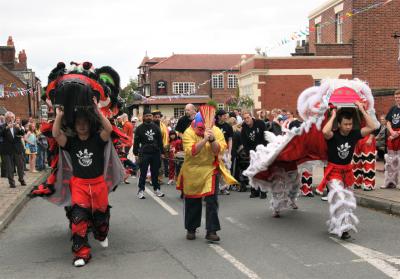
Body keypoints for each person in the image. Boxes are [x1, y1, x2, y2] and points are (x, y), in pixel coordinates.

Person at [52, 98, 113, 267]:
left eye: (85, 122)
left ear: (89, 124)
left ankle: (101, 235)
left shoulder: (97, 140)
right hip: (79, 185)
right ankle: (81, 254)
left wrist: (96, 110)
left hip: (98, 184)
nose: (82, 125)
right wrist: (59, 116)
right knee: (78, 219)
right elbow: (56, 134)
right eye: (78, 123)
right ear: (74, 125)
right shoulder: (71, 143)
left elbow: (108, 128)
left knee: (101, 220)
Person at [318, 102, 376, 240]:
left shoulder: (354, 134)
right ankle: (344, 229)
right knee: (340, 198)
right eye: (345, 124)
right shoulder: (333, 135)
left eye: (350, 124)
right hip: (334, 172)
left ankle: (335, 224)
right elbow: (325, 131)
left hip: (348, 172)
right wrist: (333, 115)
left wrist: (361, 109)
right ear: (339, 124)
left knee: (347, 201)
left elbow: (372, 127)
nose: (348, 127)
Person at [177, 111, 237, 241]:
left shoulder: (216, 131)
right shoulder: (188, 132)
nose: (205, 128)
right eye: (202, 126)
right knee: (193, 200)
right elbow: (192, 151)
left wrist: (212, 139)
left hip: (210, 168)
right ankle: (191, 228)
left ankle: (211, 230)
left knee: (211, 200)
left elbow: (218, 150)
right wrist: (204, 139)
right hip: (192, 169)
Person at [133, 108, 164, 199]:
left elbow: (160, 141)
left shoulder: (156, 127)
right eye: (146, 116)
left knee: (155, 172)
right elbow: (136, 142)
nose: (148, 117)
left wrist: (162, 152)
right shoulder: (139, 128)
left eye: (150, 115)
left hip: (155, 152)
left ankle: (156, 189)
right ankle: (141, 190)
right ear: (143, 117)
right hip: (144, 153)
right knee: (143, 172)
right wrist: (136, 153)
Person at [241, 111, 268, 199]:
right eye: (244, 118)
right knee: (252, 171)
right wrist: (249, 152)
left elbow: (265, 136)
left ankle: (263, 191)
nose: (246, 120)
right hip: (252, 152)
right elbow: (244, 142)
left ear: (251, 117)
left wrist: (264, 150)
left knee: (261, 171)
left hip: (261, 150)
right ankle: (254, 191)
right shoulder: (244, 128)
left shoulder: (260, 123)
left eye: (248, 117)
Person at [1, 111, 26, 188]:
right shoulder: (2, 126)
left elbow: (22, 134)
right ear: (6, 118)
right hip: (7, 150)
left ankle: (21, 179)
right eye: (9, 117)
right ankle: (12, 182)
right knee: (9, 167)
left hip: (17, 149)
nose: (11, 119)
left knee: (20, 165)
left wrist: (19, 128)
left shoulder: (17, 126)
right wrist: (6, 128)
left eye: (12, 117)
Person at [382, 90, 400, 189]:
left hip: (398, 135)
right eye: (396, 97)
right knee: (391, 161)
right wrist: (392, 132)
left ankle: (399, 182)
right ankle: (390, 182)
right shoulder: (393, 108)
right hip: (393, 136)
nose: (398, 99)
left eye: (399, 97)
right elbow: (388, 121)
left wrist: (397, 134)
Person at [215, 109, 233, 195]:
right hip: (215, 150)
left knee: (226, 169)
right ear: (219, 116)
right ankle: (216, 187)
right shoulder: (214, 125)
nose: (226, 117)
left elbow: (230, 140)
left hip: (225, 151)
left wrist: (229, 152)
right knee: (216, 169)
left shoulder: (228, 126)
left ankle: (224, 188)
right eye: (224, 115)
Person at [152, 110, 169, 181]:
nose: (157, 118)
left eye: (158, 117)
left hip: (160, 147)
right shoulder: (150, 125)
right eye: (155, 117)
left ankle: (160, 178)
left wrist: (165, 148)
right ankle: (152, 177)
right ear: (153, 117)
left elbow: (166, 136)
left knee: (160, 163)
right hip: (151, 146)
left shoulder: (163, 126)